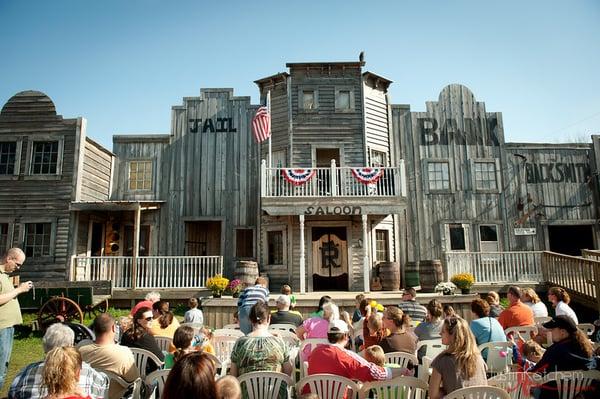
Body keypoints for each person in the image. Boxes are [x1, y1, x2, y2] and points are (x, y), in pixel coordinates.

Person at [306, 319, 404, 398]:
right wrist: (402, 370)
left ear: (328, 336)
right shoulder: (346, 356)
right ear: (345, 336)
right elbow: (376, 374)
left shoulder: (314, 352)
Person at [9, 322, 108, 399]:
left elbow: (12, 393)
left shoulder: (25, 372)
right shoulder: (87, 371)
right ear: (70, 347)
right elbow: (103, 386)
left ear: (44, 346)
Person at [530, 316, 594, 399]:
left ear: (563, 332)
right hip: (578, 394)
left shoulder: (555, 350)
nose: (549, 332)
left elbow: (534, 373)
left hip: (553, 394)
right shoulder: (587, 350)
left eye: (552, 330)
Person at [78, 313, 139, 399]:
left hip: (88, 394)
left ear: (94, 329)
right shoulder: (123, 353)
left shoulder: (81, 347)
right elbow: (134, 380)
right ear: (114, 328)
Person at [429, 317, 487, 399]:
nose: (440, 334)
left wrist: (448, 392)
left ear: (452, 335)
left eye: (443, 331)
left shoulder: (442, 361)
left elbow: (433, 395)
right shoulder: (479, 358)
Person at [230, 302, 293, 377]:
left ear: (250, 319)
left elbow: (233, 374)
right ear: (269, 318)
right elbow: (288, 371)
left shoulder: (240, 343)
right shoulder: (279, 342)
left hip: (248, 388)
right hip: (274, 388)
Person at [0, 247, 32, 390]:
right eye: (17, 264)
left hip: (7, 327)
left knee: (4, 367)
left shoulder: (4, 276)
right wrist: (19, 290)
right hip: (2, 328)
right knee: (0, 369)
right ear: (9, 259)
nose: (18, 268)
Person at [120, 306, 165, 374]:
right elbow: (161, 359)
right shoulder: (146, 337)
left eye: (153, 317)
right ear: (139, 321)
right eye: (148, 319)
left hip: (130, 371)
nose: (152, 320)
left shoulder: (126, 334)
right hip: (147, 373)